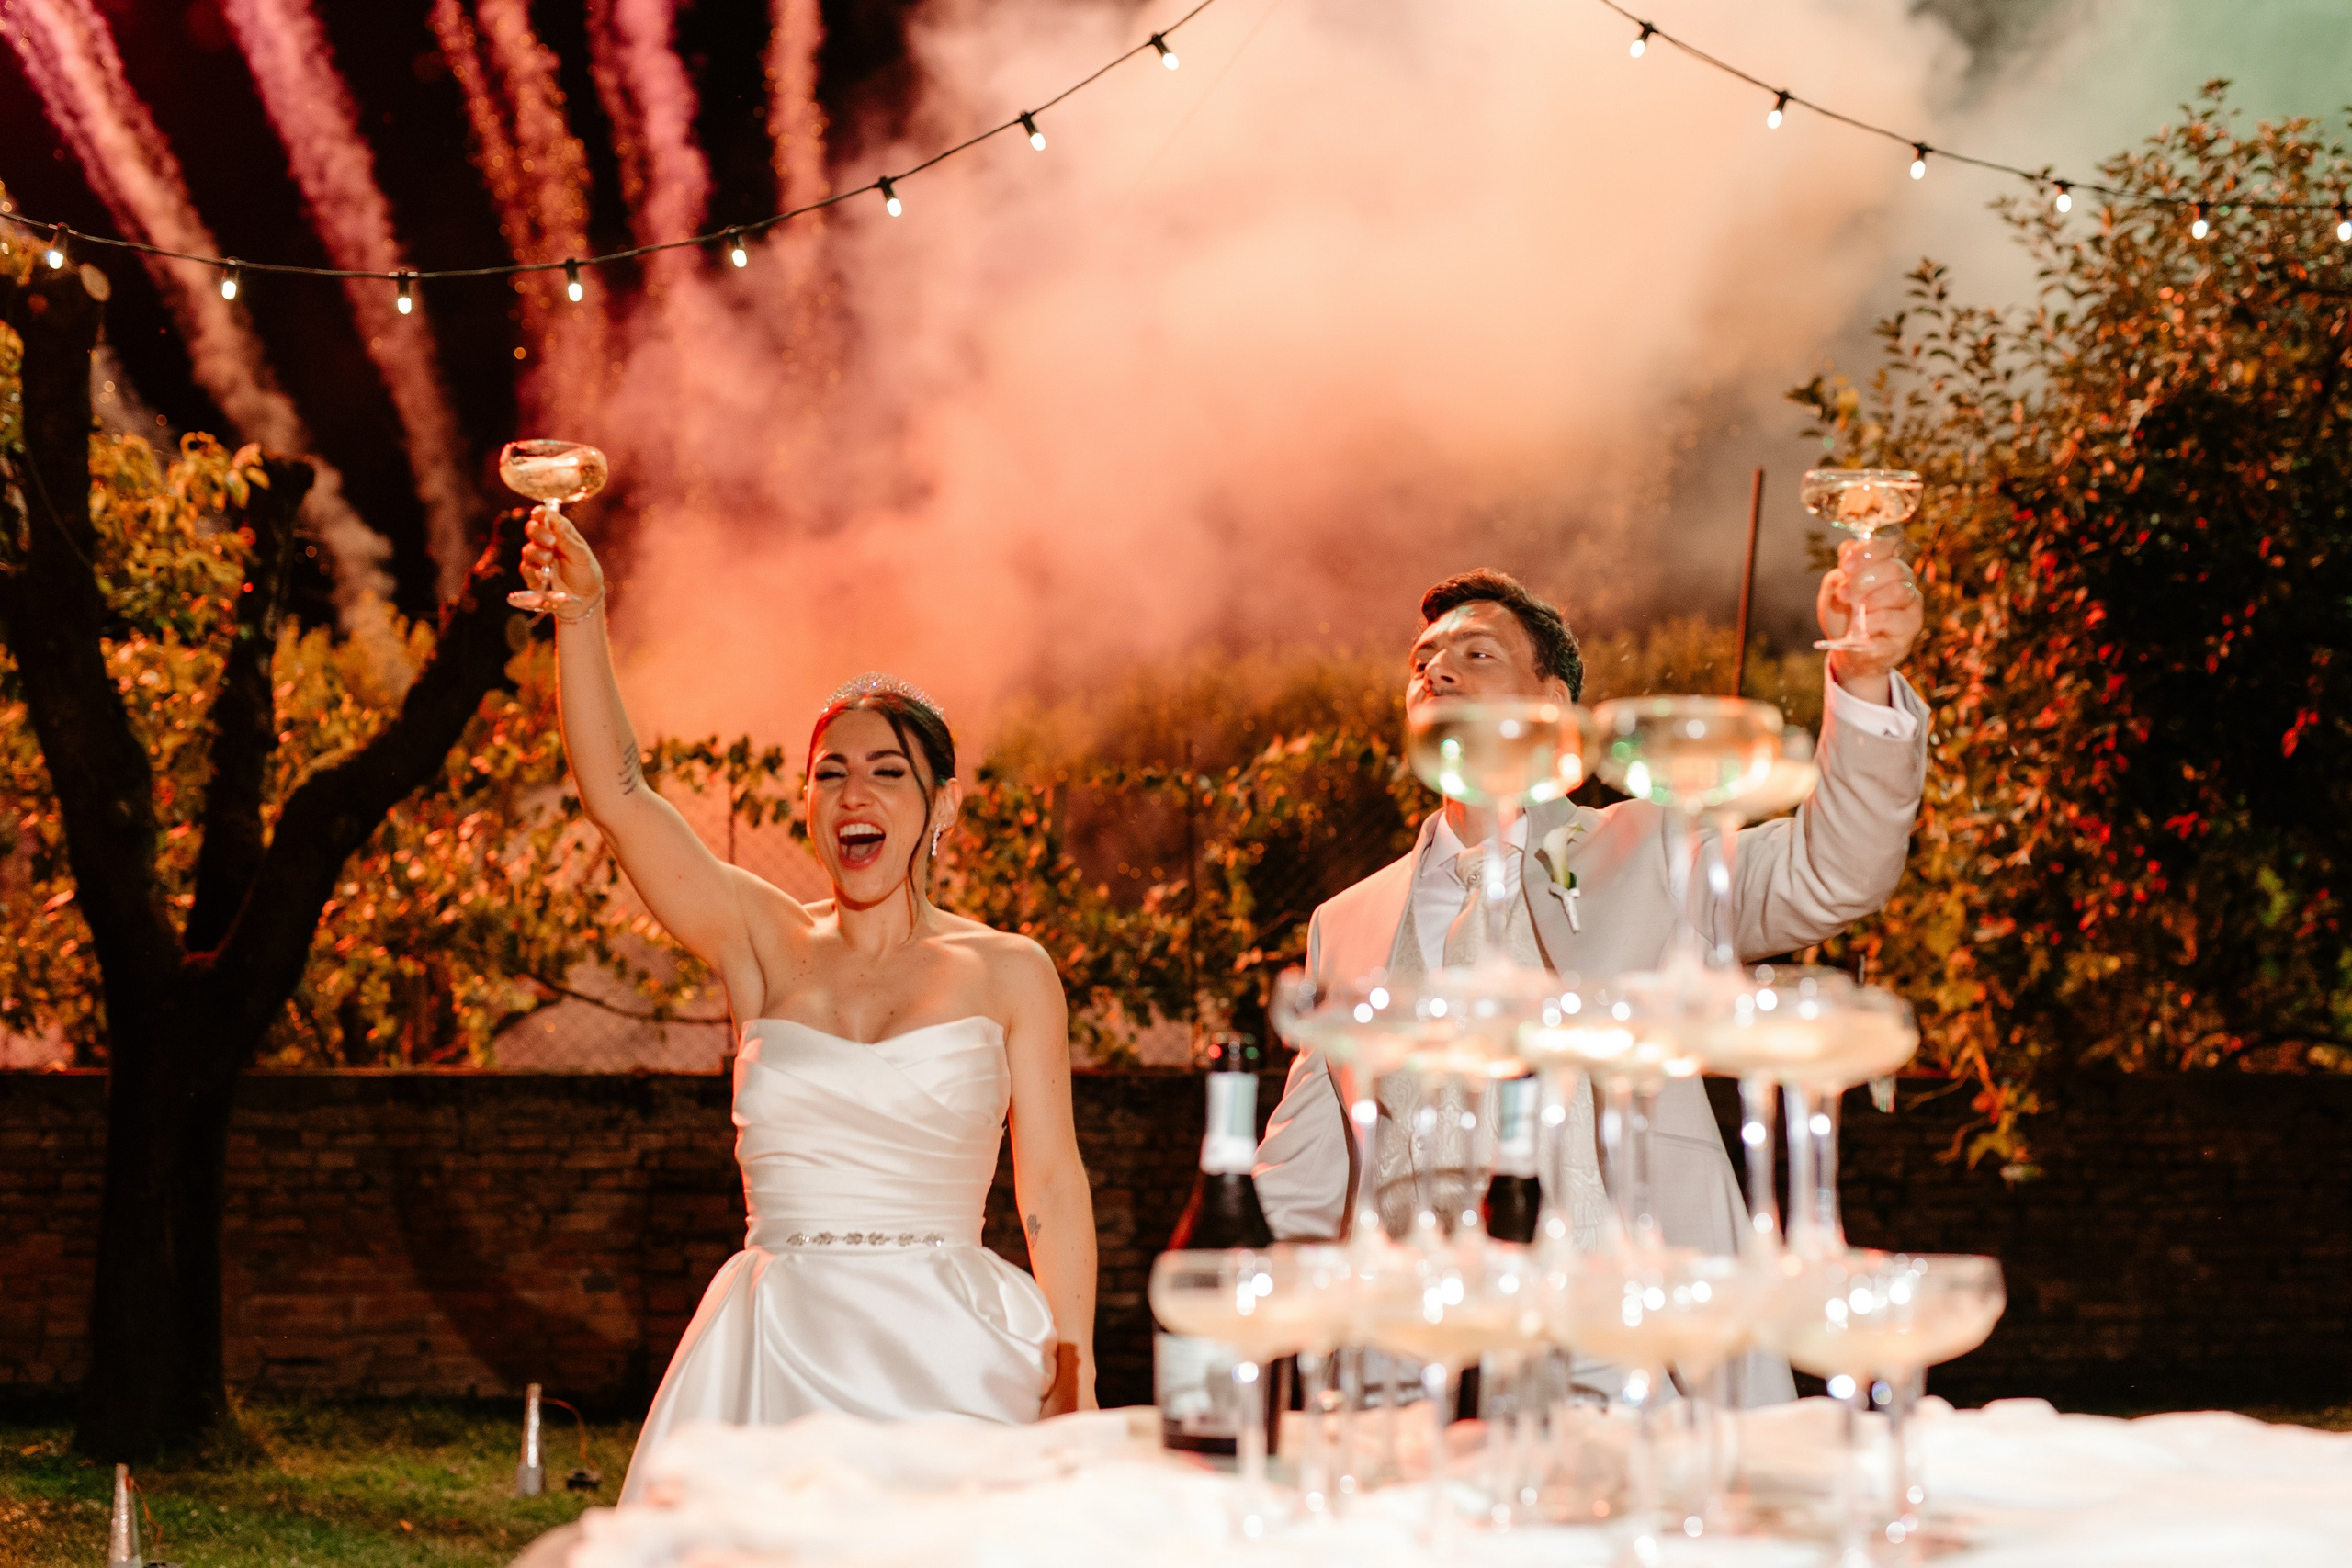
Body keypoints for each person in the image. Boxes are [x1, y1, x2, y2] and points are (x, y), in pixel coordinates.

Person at [1252, 537, 1929, 1404]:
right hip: (1403, 1378)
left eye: (1476, 653)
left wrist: (1864, 683)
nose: (1437, 672)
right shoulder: (1343, 923)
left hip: (1632, 1363)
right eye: (1421, 662)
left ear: (1554, 705)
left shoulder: (1645, 847)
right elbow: (1300, 1179)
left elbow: (1831, 871)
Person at [518, 506, 1098, 1502]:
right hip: (771, 1353)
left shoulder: (1010, 971)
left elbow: (1047, 1183)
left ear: (942, 806)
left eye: (885, 773)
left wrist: (1073, 1368)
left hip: (947, 1348)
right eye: (830, 775)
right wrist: (583, 617)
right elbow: (620, 796)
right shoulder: (763, 941)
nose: (852, 796)